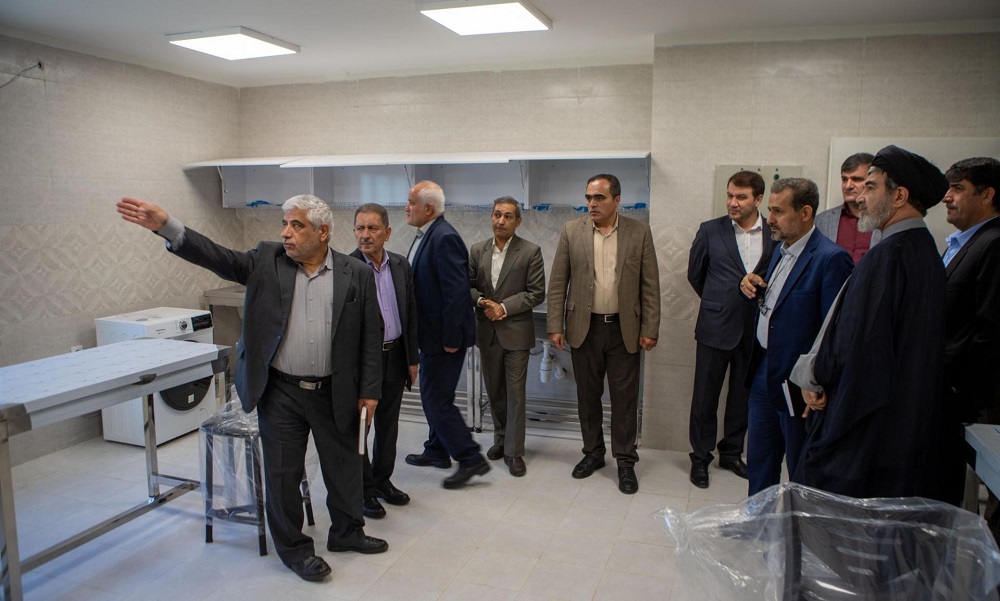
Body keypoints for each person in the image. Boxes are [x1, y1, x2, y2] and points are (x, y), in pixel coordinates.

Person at [116, 194, 387, 583]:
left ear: (323, 232)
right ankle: (295, 550)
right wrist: (167, 226)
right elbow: (219, 257)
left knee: (344, 467)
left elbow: (370, 335)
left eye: (297, 225)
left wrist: (371, 390)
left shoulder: (354, 272)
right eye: (285, 224)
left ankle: (347, 533)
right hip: (282, 392)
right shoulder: (267, 260)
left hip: (336, 389)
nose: (286, 233)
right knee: (283, 475)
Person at [790, 145, 949, 498]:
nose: (860, 197)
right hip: (898, 425)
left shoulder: (888, 257)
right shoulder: (923, 249)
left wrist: (815, 379)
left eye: (871, 187)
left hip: (860, 424)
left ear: (899, 196)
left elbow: (853, 341)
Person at [547, 173, 660, 494]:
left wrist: (650, 328)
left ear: (617, 200)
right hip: (585, 328)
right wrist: (555, 324)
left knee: (624, 399)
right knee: (587, 396)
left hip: (625, 329)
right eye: (588, 198)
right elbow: (558, 282)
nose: (592, 204)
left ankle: (625, 461)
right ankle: (593, 453)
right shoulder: (572, 231)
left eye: (599, 198)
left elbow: (650, 284)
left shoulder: (639, 232)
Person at [739, 178, 852, 496]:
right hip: (764, 370)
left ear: (805, 212)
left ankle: (799, 525)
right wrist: (748, 285)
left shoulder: (830, 259)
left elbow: (836, 331)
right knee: (760, 459)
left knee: (801, 466)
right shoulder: (780, 250)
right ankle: (758, 519)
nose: (770, 219)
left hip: (799, 381)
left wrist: (818, 383)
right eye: (770, 210)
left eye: (778, 211)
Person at [687, 171, 775, 488]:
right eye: (730, 195)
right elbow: (695, 275)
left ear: (758, 199)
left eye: (741, 197)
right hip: (715, 326)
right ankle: (700, 457)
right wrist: (719, 301)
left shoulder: (774, 232)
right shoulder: (710, 230)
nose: (733, 203)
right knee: (705, 397)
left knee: (742, 396)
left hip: (756, 328)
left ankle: (732, 453)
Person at [402, 181, 490, 489]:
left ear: (428, 208)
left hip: (444, 339)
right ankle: (437, 450)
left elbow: (456, 293)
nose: (406, 207)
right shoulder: (428, 234)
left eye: (411, 202)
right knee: (435, 396)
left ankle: (470, 458)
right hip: (431, 335)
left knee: (436, 399)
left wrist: (451, 338)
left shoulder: (444, 237)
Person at [935, 157, 1000, 506]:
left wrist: (962, 390)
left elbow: (990, 329)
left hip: (965, 398)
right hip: (947, 392)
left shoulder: (993, 243)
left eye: (958, 189)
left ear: (987, 195)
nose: (947, 197)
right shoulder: (961, 242)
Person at [350, 203, 419, 518]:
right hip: (364, 362)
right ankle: (363, 490)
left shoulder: (401, 266)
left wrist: (412, 358)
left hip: (395, 356)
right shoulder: (347, 268)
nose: (365, 235)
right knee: (360, 429)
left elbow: (411, 314)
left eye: (372, 228)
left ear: (387, 233)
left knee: (388, 426)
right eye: (360, 228)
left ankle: (382, 481)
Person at [469, 196, 546, 477]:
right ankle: (501, 440)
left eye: (508, 216)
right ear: (491, 217)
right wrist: (482, 302)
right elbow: (467, 286)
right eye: (497, 215)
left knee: (515, 395)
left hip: (516, 334)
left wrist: (502, 307)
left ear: (518, 221)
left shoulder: (530, 251)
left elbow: (536, 292)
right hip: (487, 333)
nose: (501, 221)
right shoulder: (477, 250)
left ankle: (514, 452)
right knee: (495, 392)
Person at [815, 152, 882, 263]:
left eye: (856, 179)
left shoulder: (885, 219)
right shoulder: (821, 221)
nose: (848, 186)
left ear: (872, 182)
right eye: (844, 179)